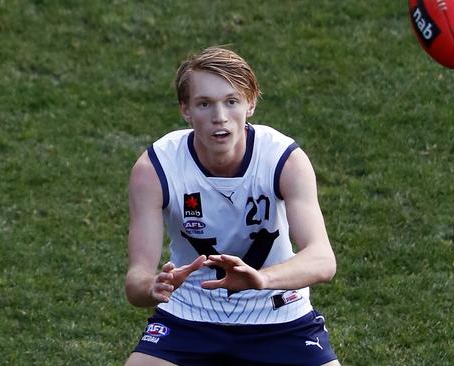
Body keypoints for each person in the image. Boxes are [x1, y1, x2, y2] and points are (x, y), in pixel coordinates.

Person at [124, 46, 341, 366]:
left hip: (279, 316)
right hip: (189, 316)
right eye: (204, 104)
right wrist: (154, 286)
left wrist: (260, 279)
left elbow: (322, 260)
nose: (219, 117)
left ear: (250, 103)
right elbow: (135, 282)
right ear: (185, 110)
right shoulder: (156, 168)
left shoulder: (282, 159)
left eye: (231, 101)